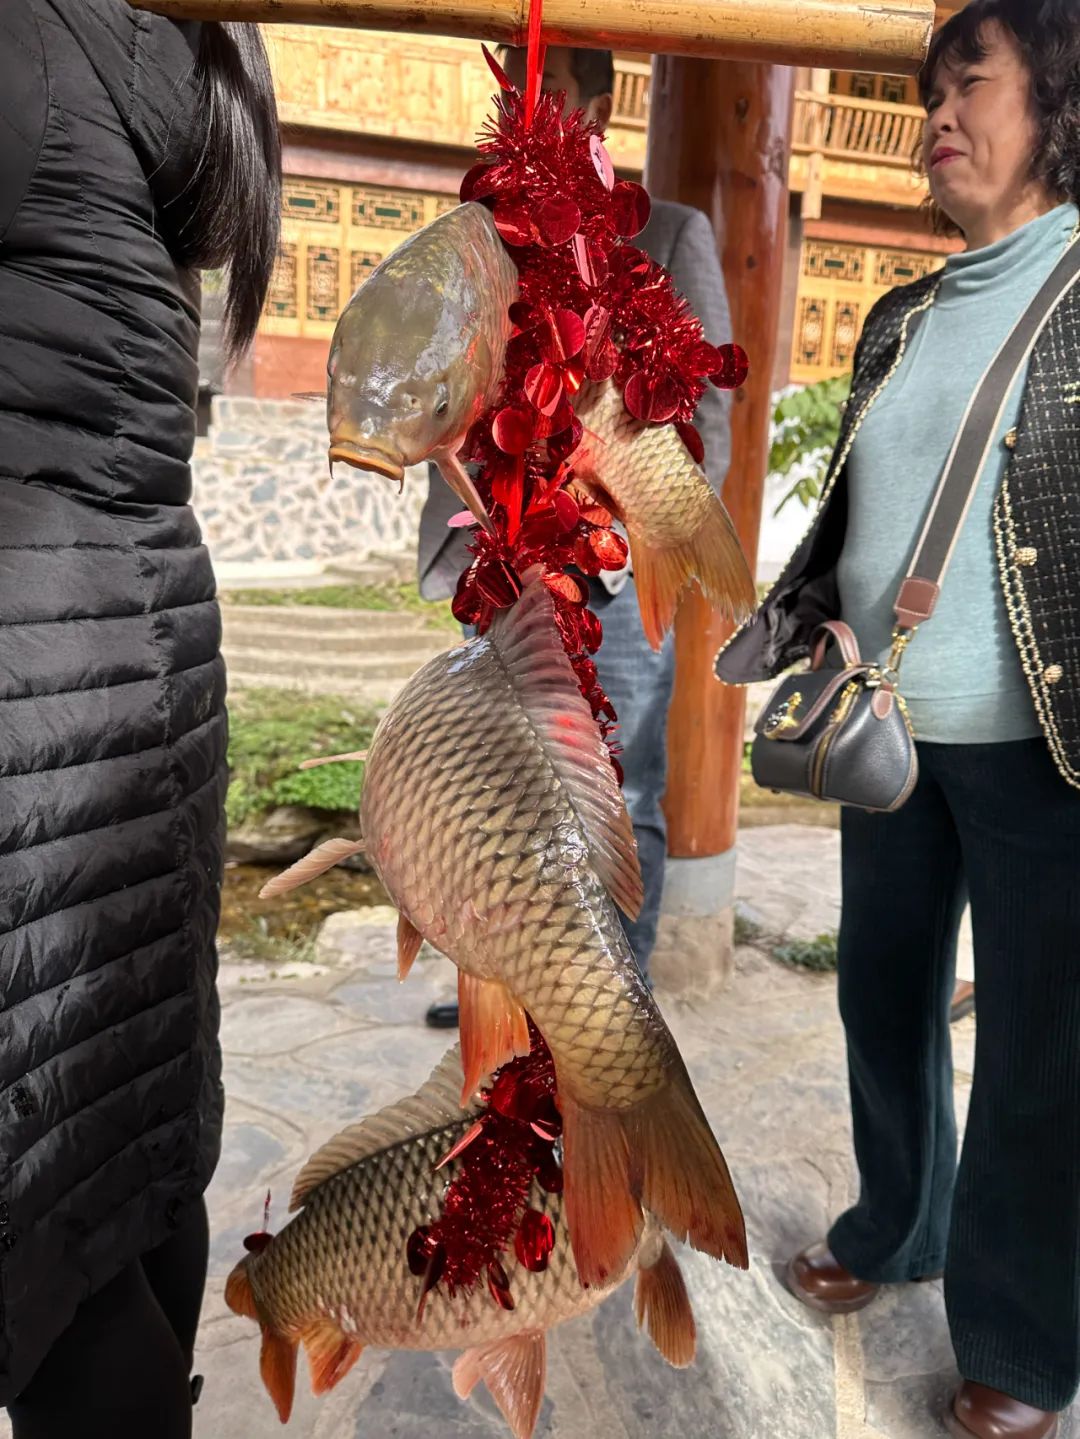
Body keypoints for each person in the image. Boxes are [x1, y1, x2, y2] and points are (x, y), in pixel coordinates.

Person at [719, 3, 1080, 1436]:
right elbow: (865, 510)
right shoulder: (901, 315)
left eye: (969, 84)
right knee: (880, 990)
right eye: (930, 92)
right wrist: (816, 605)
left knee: (1041, 1051)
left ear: (1055, 102)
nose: (938, 115)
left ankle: (1023, 1341)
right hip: (888, 738)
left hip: (1046, 747)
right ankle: (898, 1224)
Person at [0, 3, 280, 1434]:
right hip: (140, 638)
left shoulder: (28, 44)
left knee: (48, 1208)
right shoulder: (173, 53)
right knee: (124, 1129)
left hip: (34, 668)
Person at [420, 44, 733, 1026]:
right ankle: (507, 1000)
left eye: (549, 90)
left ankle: (611, 1013)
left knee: (619, 793)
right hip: (498, 564)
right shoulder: (475, 238)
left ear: (595, 109)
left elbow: (707, 420)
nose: (528, 107)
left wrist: (633, 530)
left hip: (613, 577)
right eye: (516, 89)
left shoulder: (670, 235)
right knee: (497, 793)